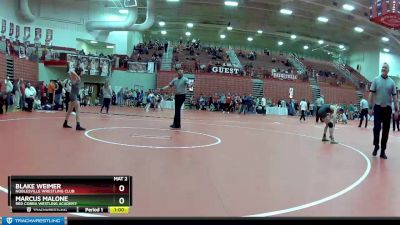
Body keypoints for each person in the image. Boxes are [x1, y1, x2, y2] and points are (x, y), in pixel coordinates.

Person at [369, 63, 399, 159]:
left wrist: (396, 110)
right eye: (382, 67)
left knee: (385, 131)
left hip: (387, 109)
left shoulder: (392, 82)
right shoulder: (376, 80)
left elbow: (395, 97)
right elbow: (371, 94)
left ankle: (382, 151)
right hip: (378, 108)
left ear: (388, 70)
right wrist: (370, 107)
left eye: (385, 68)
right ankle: (376, 145)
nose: (383, 69)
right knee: (376, 128)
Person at [63, 67, 86, 131]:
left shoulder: (76, 77)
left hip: (73, 95)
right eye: (82, 71)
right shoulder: (76, 77)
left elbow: (72, 73)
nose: (83, 73)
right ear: (79, 72)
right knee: (78, 110)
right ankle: (78, 125)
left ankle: (65, 123)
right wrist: (77, 75)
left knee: (69, 110)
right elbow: (71, 71)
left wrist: (77, 76)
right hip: (73, 95)